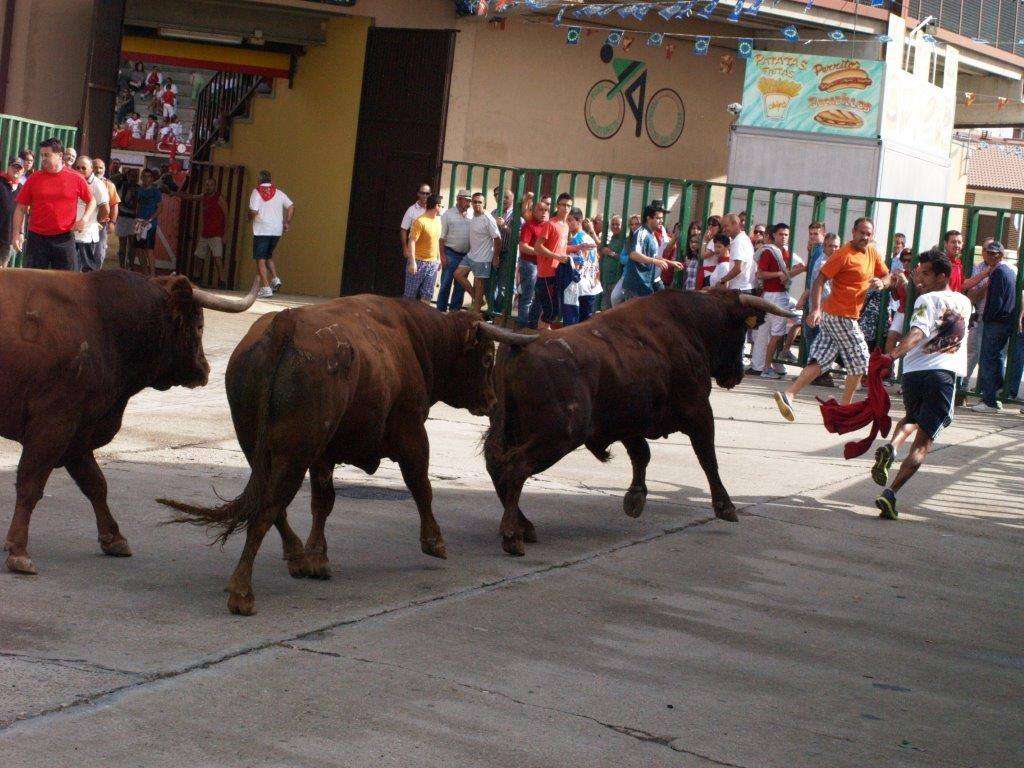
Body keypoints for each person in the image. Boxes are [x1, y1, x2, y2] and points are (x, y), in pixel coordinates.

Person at [871, 250, 972, 520]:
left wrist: (892, 356)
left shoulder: (926, 300)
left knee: (911, 418)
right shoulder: (964, 302)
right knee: (923, 444)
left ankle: (892, 448)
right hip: (942, 376)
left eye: (926, 273)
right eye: (919, 271)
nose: (919, 277)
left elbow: (917, 333)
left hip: (915, 373)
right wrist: (891, 355)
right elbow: (918, 333)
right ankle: (890, 493)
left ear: (942, 276)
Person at [774, 218, 891, 419]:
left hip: (838, 316)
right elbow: (820, 280)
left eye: (868, 233)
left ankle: (789, 394)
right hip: (840, 316)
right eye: (861, 232)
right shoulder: (843, 254)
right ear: (853, 232)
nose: (864, 237)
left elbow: (888, 275)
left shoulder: (872, 252)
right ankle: (845, 410)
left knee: (822, 360)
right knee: (861, 361)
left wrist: (882, 282)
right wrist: (816, 309)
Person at [11, 138, 94, 271]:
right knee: (34, 281)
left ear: (60, 156)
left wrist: (84, 219)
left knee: (66, 282)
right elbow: (20, 208)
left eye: (47, 155)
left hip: (64, 238)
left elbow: (92, 200)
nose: (43, 158)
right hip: (37, 238)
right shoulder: (34, 178)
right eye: (42, 155)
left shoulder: (76, 177)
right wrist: (17, 233)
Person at [754, 222, 805, 379]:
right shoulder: (770, 252)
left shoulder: (786, 253)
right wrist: (778, 274)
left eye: (786, 235)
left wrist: (792, 272)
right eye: (781, 234)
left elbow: (792, 271)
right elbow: (760, 274)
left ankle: (769, 365)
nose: (783, 237)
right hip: (772, 295)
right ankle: (766, 367)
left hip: (779, 294)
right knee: (775, 334)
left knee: (775, 334)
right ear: (774, 236)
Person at [972, 241, 1018, 412]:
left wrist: (986, 317)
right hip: (1004, 321)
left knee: (988, 359)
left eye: (994, 253)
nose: (991, 256)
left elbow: (996, 300)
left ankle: (989, 400)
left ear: (1001, 254)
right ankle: (996, 394)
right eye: (989, 252)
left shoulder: (998, 272)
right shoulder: (1007, 270)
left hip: (996, 321)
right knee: (996, 358)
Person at [621, 202, 683, 301]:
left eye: (662, 218)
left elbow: (653, 257)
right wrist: (655, 261)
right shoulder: (641, 233)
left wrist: (670, 263)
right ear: (649, 218)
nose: (661, 221)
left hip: (646, 283)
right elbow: (633, 254)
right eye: (658, 218)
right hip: (638, 285)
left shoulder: (652, 235)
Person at [248, 169, 294, 297]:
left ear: (259, 179)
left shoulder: (256, 192)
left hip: (262, 229)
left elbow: (254, 211)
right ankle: (275, 279)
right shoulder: (279, 193)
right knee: (268, 255)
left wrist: (248, 216)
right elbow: (291, 206)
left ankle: (266, 287)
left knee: (260, 258)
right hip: (276, 230)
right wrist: (287, 222)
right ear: (271, 180)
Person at [531, 193, 573, 328]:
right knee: (551, 311)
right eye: (563, 205)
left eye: (568, 206)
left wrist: (579, 247)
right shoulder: (550, 224)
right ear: (557, 206)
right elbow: (538, 247)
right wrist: (556, 257)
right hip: (546, 274)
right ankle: (540, 338)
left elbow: (561, 247)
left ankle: (541, 335)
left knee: (550, 310)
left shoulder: (565, 226)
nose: (566, 208)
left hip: (557, 272)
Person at [177, 177, 228, 287]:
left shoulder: (219, 198)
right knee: (198, 256)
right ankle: (197, 277)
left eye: (211, 185)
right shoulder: (203, 196)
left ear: (215, 186)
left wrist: (224, 234)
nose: (208, 187)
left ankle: (223, 281)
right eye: (207, 185)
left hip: (216, 233)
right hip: (205, 233)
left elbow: (226, 216)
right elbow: (191, 197)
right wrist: (175, 193)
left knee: (217, 257)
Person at [455, 192, 501, 313]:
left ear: (484, 203)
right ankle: (478, 299)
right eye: (474, 202)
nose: (477, 204)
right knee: (458, 274)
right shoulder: (472, 214)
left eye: (479, 202)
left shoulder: (488, 219)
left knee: (479, 285)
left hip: (483, 258)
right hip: (471, 255)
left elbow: (497, 239)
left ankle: (476, 313)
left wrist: (495, 257)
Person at [71, 155, 110, 272]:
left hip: (86, 236)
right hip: (71, 233)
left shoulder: (98, 185)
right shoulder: (73, 181)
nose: (80, 170)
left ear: (91, 168)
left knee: (87, 269)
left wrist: (95, 222)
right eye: (77, 168)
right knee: (72, 268)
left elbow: (105, 209)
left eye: (84, 168)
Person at [562, 207, 601, 325]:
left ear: (579, 221)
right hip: (591, 286)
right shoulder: (590, 239)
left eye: (570, 220)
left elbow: (577, 264)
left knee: (571, 323)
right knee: (585, 323)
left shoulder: (575, 241)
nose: (567, 223)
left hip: (577, 286)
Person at [437, 189, 473, 312]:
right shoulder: (448, 214)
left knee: (460, 286)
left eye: (469, 201)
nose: (468, 204)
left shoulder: (472, 214)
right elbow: (441, 238)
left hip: (466, 256)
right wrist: (442, 256)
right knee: (445, 284)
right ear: (458, 199)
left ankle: (455, 312)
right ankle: (441, 311)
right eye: (466, 201)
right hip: (451, 253)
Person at [404, 193, 442, 304]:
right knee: (410, 295)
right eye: (441, 206)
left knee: (428, 294)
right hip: (418, 262)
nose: (441, 208)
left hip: (432, 263)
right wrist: (412, 262)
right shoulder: (420, 221)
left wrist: (438, 258)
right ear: (436, 206)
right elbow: (411, 241)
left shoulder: (438, 221)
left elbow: (437, 241)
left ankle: (424, 320)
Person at [516, 199, 549, 328]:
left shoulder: (548, 226)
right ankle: (523, 326)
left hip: (543, 265)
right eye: (540, 210)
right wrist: (540, 252)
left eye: (546, 210)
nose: (543, 213)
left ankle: (533, 324)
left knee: (540, 298)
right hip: (530, 264)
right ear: (533, 211)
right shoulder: (529, 225)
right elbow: (523, 246)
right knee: (527, 297)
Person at [133, 168, 162, 277]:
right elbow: (138, 206)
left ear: (152, 178)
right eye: (144, 176)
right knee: (139, 249)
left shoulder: (155, 191)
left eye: (148, 176)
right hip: (139, 223)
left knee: (148, 249)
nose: (146, 178)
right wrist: (136, 218)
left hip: (150, 224)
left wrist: (149, 220)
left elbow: (160, 208)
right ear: (141, 177)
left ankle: (153, 275)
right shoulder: (139, 190)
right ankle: (145, 274)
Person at [884, 249, 913, 355]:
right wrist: (893, 285)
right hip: (901, 311)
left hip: (914, 312)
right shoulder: (902, 273)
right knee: (891, 337)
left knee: (910, 344)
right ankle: (888, 368)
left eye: (909, 260)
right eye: (903, 260)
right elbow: (896, 298)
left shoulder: (918, 273)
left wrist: (904, 280)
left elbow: (913, 295)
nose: (905, 263)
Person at [92, 158, 120, 271]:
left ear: (105, 169)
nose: (98, 170)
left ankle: (95, 277)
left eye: (100, 168)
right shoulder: (83, 182)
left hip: (101, 225)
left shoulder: (109, 185)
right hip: (85, 224)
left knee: (99, 253)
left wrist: (112, 222)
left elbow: (114, 205)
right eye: (95, 167)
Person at [718, 213, 756, 292]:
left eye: (726, 226)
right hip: (746, 287)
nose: (724, 230)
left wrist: (722, 280)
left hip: (740, 289)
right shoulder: (744, 238)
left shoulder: (738, 242)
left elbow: (738, 268)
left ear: (735, 223)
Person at [0, 157, 23, 267]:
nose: (16, 170)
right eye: (14, 167)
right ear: (8, 167)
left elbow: (23, 212)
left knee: (2, 269)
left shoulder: (21, 189)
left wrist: (21, 233)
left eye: (19, 168)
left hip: (8, 237)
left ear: (23, 171)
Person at [115, 168, 139, 270]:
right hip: (122, 217)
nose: (133, 178)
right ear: (128, 176)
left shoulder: (139, 188)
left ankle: (130, 266)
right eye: (131, 175)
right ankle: (122, 267)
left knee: (132, 244)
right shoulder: (121, 185)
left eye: (135, 176)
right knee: (123, 244)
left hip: (133, 219)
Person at [599, 214, 625, 308]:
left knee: (615, 307)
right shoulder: (612, 238)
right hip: (606, 278)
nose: (615, 226)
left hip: (616, 278)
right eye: (613, 224)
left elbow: (625, 258)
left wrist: (611, 253)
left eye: (617, 224)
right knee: (606, 306)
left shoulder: (624, 240)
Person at [400, 183, 431, 260]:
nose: (425, 195)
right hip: (414, 251)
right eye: (422, 193)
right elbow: (404, 229)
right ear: (418, 194)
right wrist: (405, 248)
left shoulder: (434, 210)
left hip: (430, 253)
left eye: (427, 193)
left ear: (430, 195)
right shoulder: (411, 210)